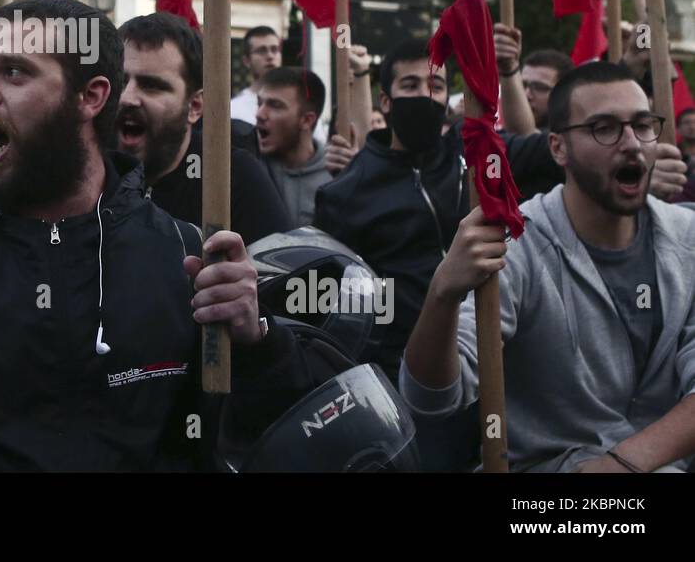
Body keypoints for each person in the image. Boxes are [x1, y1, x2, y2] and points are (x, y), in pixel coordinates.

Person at [0, 0, 302, 471]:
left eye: (14, 71)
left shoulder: (186, 258)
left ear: (91, 96)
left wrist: (257, 342)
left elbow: (254, 438)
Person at [401, 62, 695, 472]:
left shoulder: (688, 237)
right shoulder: (514, 246)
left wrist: (622, 463)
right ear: (558, 148)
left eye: (643, 124)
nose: (632, 143)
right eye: (604, 128)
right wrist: (443, 294)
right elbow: (432, 398)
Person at [313, 38, 586, 374]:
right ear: (385, 100)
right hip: (401, 371)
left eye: (436, 85)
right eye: (410, 85)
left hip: (492, 361)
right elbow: (333, 307)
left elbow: (552, 153)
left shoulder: (476, 152)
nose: (426, 95)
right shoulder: (346, 193)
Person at [117, 12, 293, 242]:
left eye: (151, 86)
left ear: (195, 106)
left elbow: (284, 270)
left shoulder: (233, 176)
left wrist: (247, 276)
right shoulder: (88, 171)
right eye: (121, 82)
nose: (127, 98)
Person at [254, 67, 338, 227]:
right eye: (259, 103)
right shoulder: (250, 162)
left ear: (307, 120)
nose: (259, 114)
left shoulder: (334, 176)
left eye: (275, 105)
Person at [230, 25, 282, 124]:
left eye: (274, 49)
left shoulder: (297, 105)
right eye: (262, 51)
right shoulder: (234, 110)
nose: (270, 56)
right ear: (246, 61)